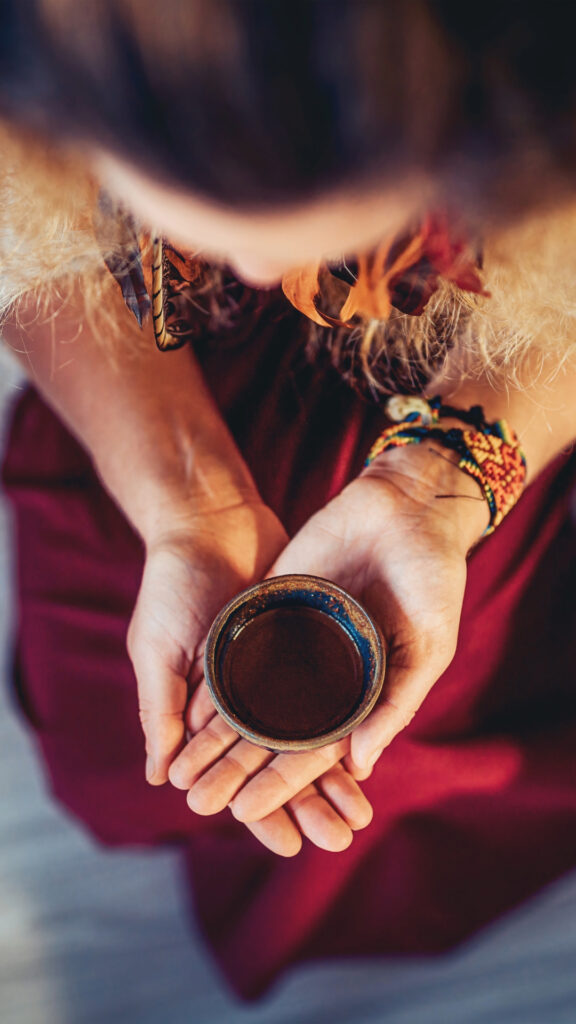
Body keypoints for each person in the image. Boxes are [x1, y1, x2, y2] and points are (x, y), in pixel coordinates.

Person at [2, 0, 576, 999]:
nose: (261, 271)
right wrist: (182, 492)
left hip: (501, 359)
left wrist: (442, 477)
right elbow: (28, 253)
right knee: (124, 734)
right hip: (138, 376)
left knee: (445, 731)